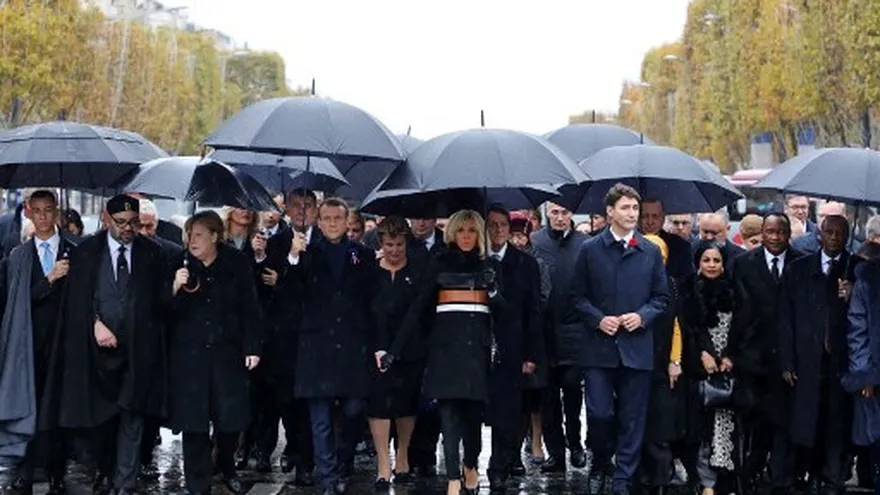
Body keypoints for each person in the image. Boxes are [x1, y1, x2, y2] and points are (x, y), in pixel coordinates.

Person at [384, 210, 504, 495]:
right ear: (452, 233)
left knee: (473, 419)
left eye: (471, 230)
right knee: (448, 417)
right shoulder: (439, 263)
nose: (466, 236)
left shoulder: (490, 266)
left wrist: (493, 290)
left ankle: (470, 464)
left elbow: (505, 314)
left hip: (476, 353)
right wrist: (395, 350)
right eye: (460, 230)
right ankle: (452, 478)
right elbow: (418, 308)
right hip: (446, 353)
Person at [56, 194, 167, 495]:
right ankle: (106, 471)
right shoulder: (86, 252)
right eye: (120, 222)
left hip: (137, 351)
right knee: (102, 420)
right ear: (106, 219)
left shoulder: (152, 253)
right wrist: (93, 322)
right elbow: (76, 300)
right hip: (97, 354)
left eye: (133, 223)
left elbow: (160, 304)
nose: (127, 229)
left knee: (133, 416)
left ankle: (125, 483)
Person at [570, 184, 669, 495]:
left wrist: (642, 316)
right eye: (625, 208)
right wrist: (598, 319)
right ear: (610, 211)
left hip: (637, 348)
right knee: (599, 413)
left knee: (632, 417)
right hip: (599, 348)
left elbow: (661, 297)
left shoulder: (650, 251)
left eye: (635, 208)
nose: (632, 214)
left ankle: (623, 478)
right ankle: (600, 461)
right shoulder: (589, 249)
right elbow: (576, 297)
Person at [285, 197, 380, 495]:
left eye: (337, 218)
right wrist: (293, 257)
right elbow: (290, 294)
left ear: (346, 220)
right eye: (326, 218)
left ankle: (343, 462)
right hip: (317, 346)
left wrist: (377, 344)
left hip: (353, 345)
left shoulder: (363, 255)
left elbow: (373, 301)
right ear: (318, 221)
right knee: (320, 419)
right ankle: (328, 478)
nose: (332, 224)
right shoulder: (307, 252)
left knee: (353, 410)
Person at [167, 210, 262, 495]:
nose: (192, 241)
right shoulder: (179, 262)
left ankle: (226, 463)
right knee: (193, 423)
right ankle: (198, 484)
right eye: (189, 235)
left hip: (226, 352)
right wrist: (174, 287)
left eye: (198, 235)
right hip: (190, 357)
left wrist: (252, 346)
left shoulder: (236, 262)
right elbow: (161, 311)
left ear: (214, 236)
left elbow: (250, 307)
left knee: (229, 418)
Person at [0, 190, 75, 495]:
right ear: (29, 213)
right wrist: (50, 279)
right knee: (27, 405)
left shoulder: (75, 250)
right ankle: (26, 472)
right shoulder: (18, 256)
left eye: (49, 210)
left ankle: (57, 472)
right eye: (38, 211)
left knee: (59, 409)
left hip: (64, 344)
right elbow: (17, 302)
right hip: (29, 344)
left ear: (57, 212)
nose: (43, 217)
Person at [779, 215, 856, 495]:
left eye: (840, 233)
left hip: (841, 360)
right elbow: (785, 318)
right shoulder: (799, 269)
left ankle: (833, 477)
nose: (834, 238)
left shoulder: (857, 269)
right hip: (806, 359)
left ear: (847, 236)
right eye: (829, 232)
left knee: (837, 419)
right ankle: (809, 474)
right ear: (819, 234)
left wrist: (852, 294)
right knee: (807, 419)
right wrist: (787, 361)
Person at [731, 212, 804, 494]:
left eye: (781, 232)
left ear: (788, 234)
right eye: (770, 232)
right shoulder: (743, 264)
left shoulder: (801, 262)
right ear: (762, 233)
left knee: (784, 424)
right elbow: (735, 311)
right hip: (753, 360)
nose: (775, 237)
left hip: (789, 360)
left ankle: (780, 479)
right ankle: (750, 475)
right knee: (754, 424)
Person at [680, 241, 755, 495]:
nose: (711, 265)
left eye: (716, 260)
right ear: (698, 263)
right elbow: (686, 330)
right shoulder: (689, 291)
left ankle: (728, 482)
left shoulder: (737, 290)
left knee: (731, 427)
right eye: (706, 260)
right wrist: (702, 354)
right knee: (702, 430)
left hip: (731, 372)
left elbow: (747, 327)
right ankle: (706, 483)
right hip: (699, 373)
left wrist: (731, 356)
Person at [484, 205, 542, 493]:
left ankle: (499, 465)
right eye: (492, 225)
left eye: (502, 225)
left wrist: (531, 354)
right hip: (478, 344)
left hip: (512, 344)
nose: (498, 230)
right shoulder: (476, 260)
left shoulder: (525, 263)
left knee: (508, 410)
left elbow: (533, 310)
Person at [530, 202, 589, 472]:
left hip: (574, 331)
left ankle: (575, 443)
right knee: (548, 398)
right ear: (547, 214)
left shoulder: (584, 243)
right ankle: (555, 452)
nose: (560, 218)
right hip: (544, 332)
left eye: (565, 213)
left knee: (573, 392)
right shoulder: (536, 241)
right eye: (555, 212)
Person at [367, 216, 424, 487]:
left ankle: (402, 455)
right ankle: (383, 463)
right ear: (381, 243)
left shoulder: (417, 272)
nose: (394, 250)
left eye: (399, 244)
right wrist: (376, 348)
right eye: (389, 244)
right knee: (378, 405)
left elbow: (420, 314)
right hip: (375, 350)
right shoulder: (371, 273)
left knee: (406, 405)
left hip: (410, 350)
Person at [638, 234, 686, 495]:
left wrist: (674, 360)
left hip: (662, 363)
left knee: (661, 425)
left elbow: (677, 324)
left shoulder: (671, 285)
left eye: (662, 255)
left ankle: (660, 478)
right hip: (635, 362)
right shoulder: (630, 283)